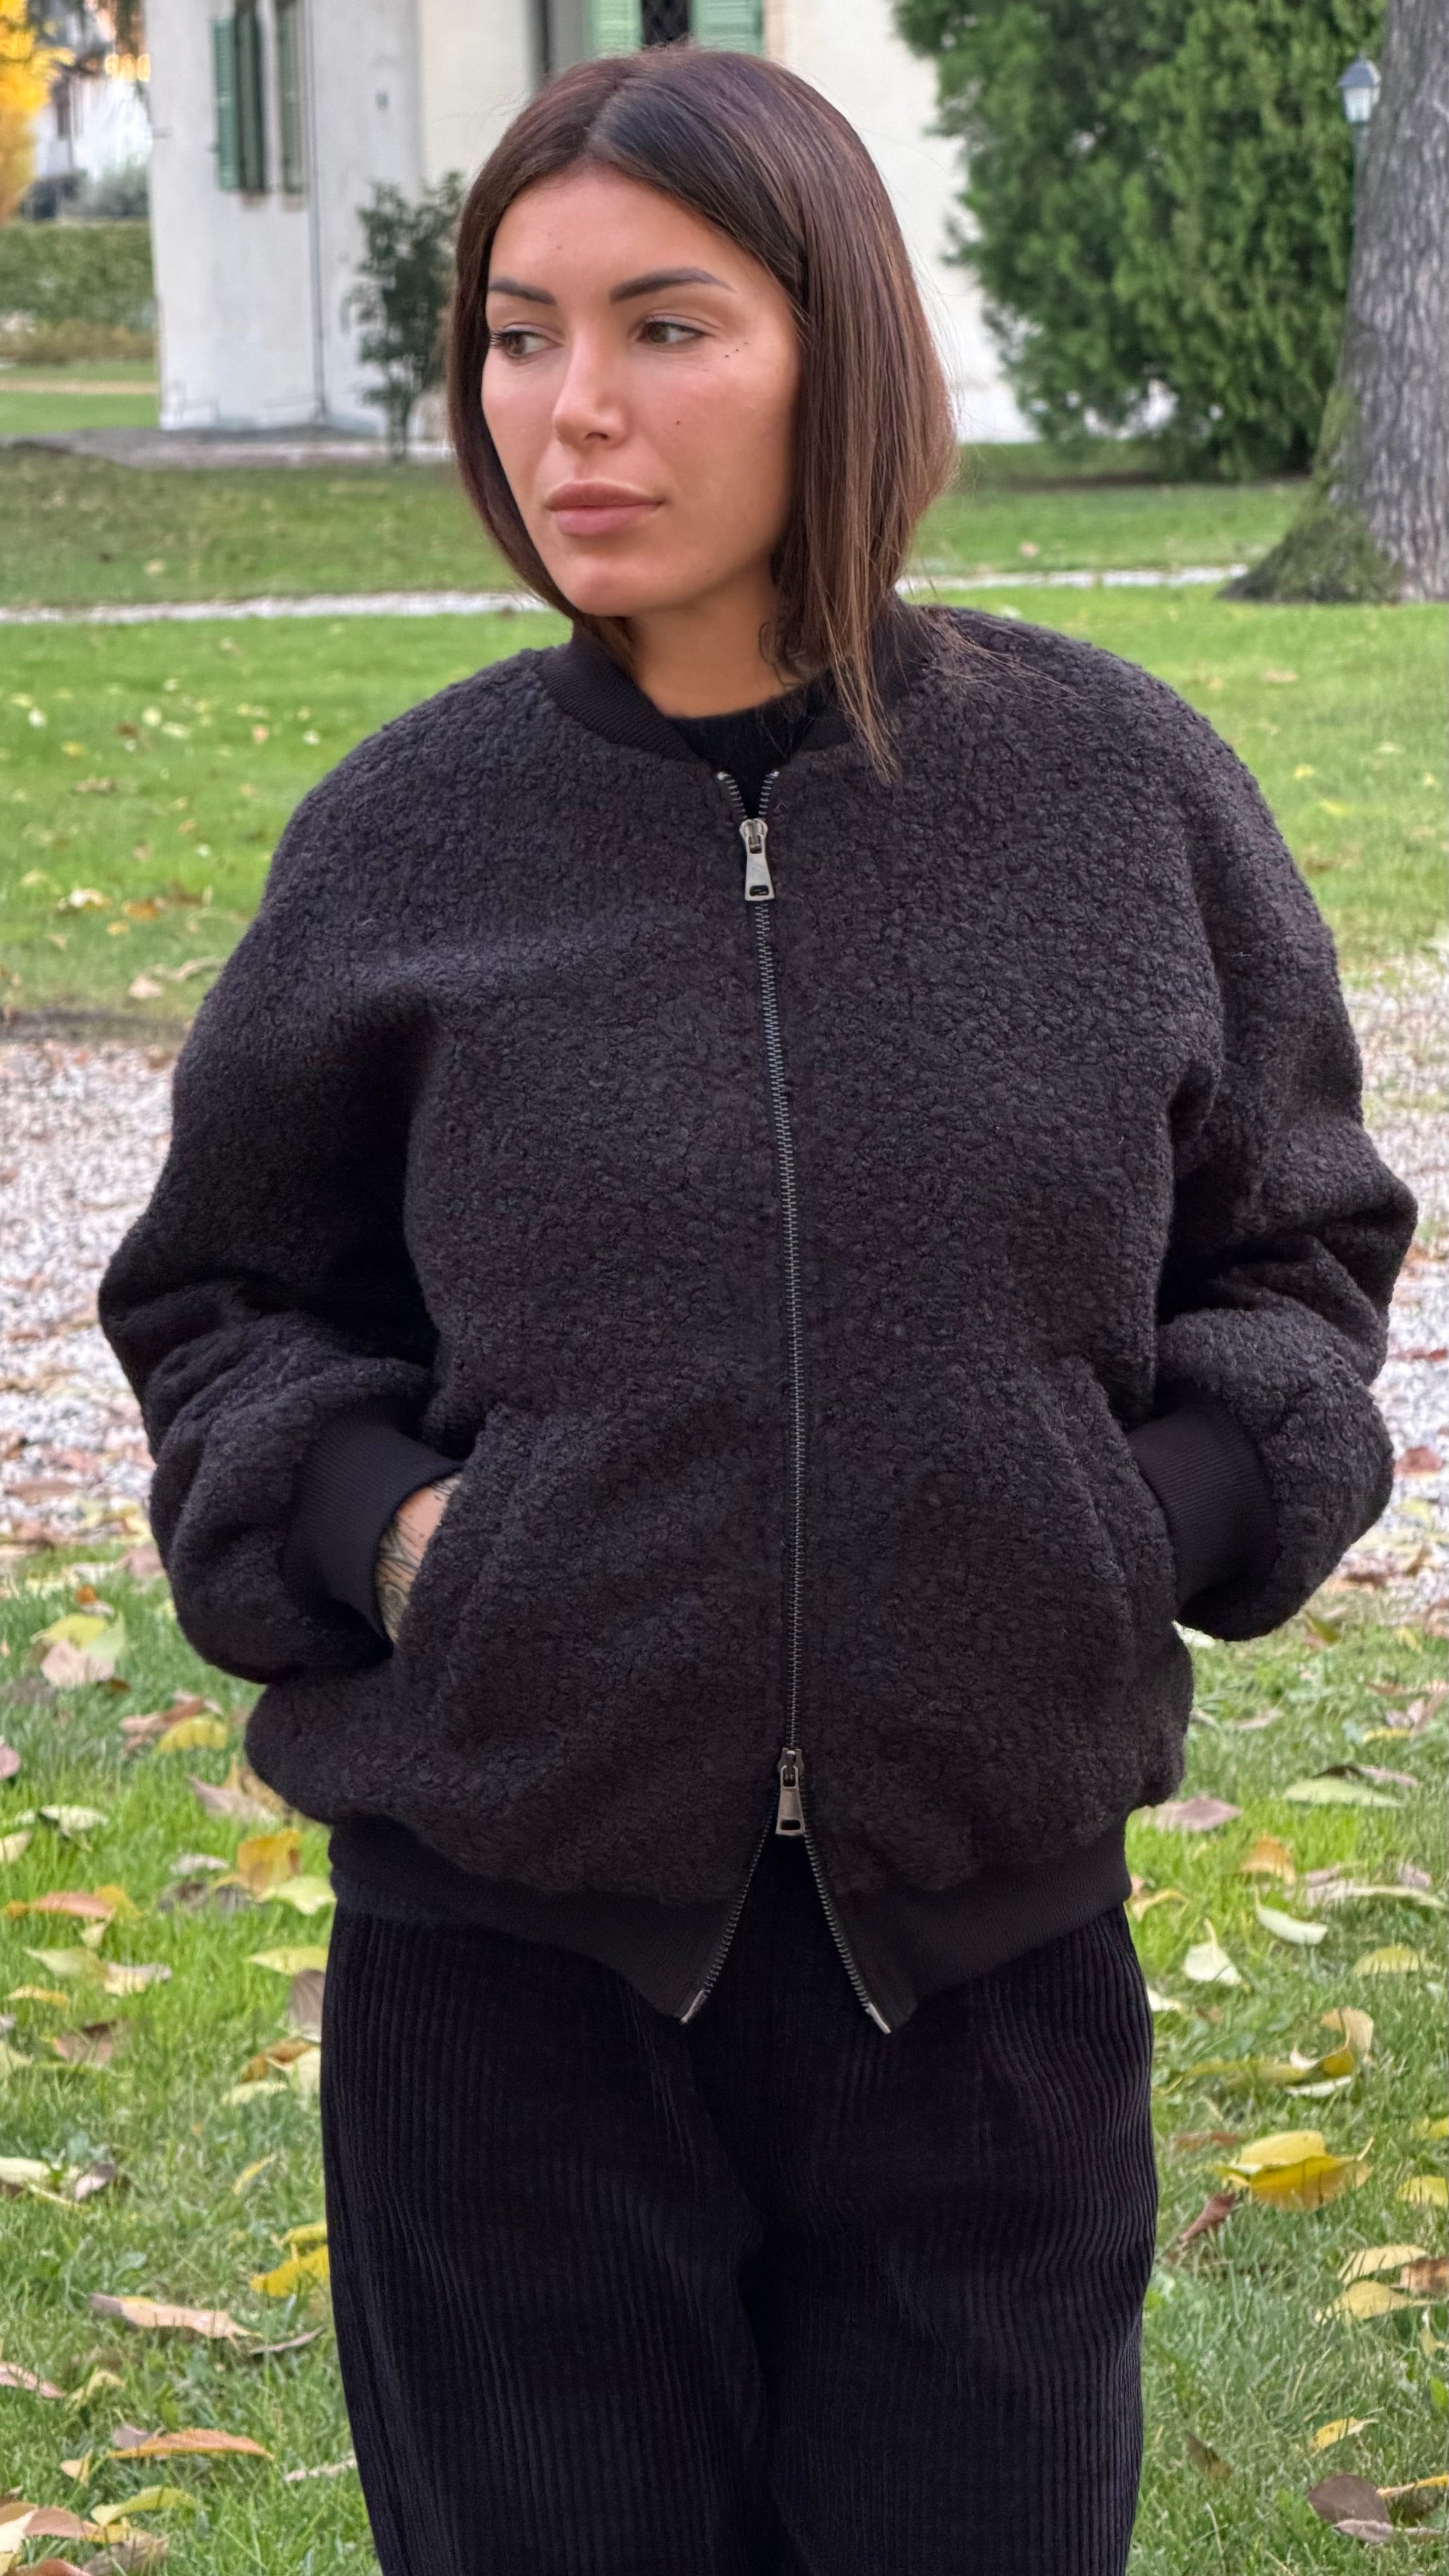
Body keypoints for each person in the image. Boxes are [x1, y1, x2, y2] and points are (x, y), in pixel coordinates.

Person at [97, 42, 1417, 2576]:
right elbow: (229, 1300)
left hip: (986, 1989)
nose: (569, 409)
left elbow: (1295, 1252)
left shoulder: (1110, 797)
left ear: (842, 352)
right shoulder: (406, 838)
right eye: (517, 333)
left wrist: (1123, 1522)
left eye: (665, 326)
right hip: (506, 2004)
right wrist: (398, 1541)